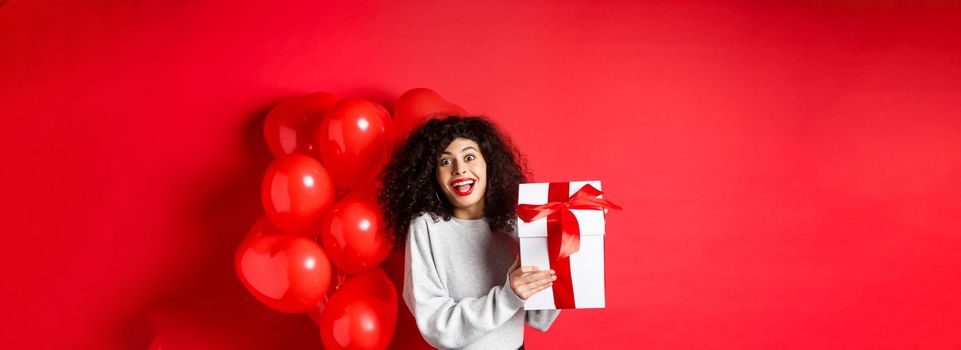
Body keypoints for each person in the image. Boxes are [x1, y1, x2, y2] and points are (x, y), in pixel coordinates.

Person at [378, 115, 560, 350]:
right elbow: (435, 326)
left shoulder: (515, 220)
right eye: (445, 162)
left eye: (470, 157)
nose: (459, 169)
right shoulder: (425, 226)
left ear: (488, 164)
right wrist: (507, 297)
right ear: (432, 175)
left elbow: (539, 318)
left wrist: (565, 256)